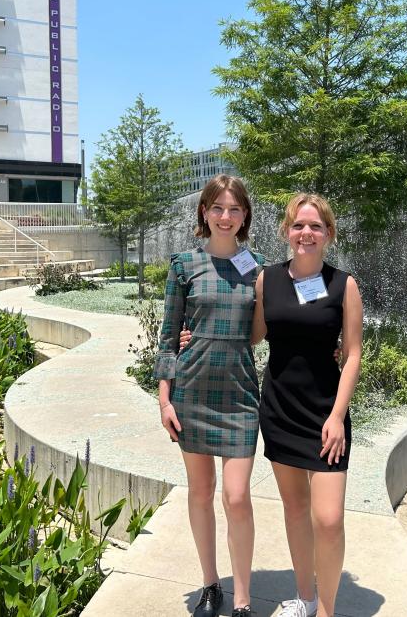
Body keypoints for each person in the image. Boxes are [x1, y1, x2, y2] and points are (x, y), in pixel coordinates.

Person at [155, 174, 264, 617]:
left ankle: (242, 599)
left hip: (239, 393)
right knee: (200, 491)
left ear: (244, 216)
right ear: (204, 212)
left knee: (236, 497)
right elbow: (167, 338)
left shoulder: (256, 270)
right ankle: (210, 584)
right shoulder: (183, 266)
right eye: (217, 208)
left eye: (234, 209)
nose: (225, 216)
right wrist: (165, 400)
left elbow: (260, 333)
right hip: (192, 392)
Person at [252, 193, 363, 617]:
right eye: (299, 225)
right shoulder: (268, 280)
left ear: (328, 234)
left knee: (329, 519)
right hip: (279, 409)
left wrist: (337, 416)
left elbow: (352, 354)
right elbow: (254, 335)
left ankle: (326, 611)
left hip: (324, 415)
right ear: (286, 230)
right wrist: (198, 334)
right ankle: (305, 596)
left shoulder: (344, 285)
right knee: (296, 509)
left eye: (316, 226)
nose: (306, 233)